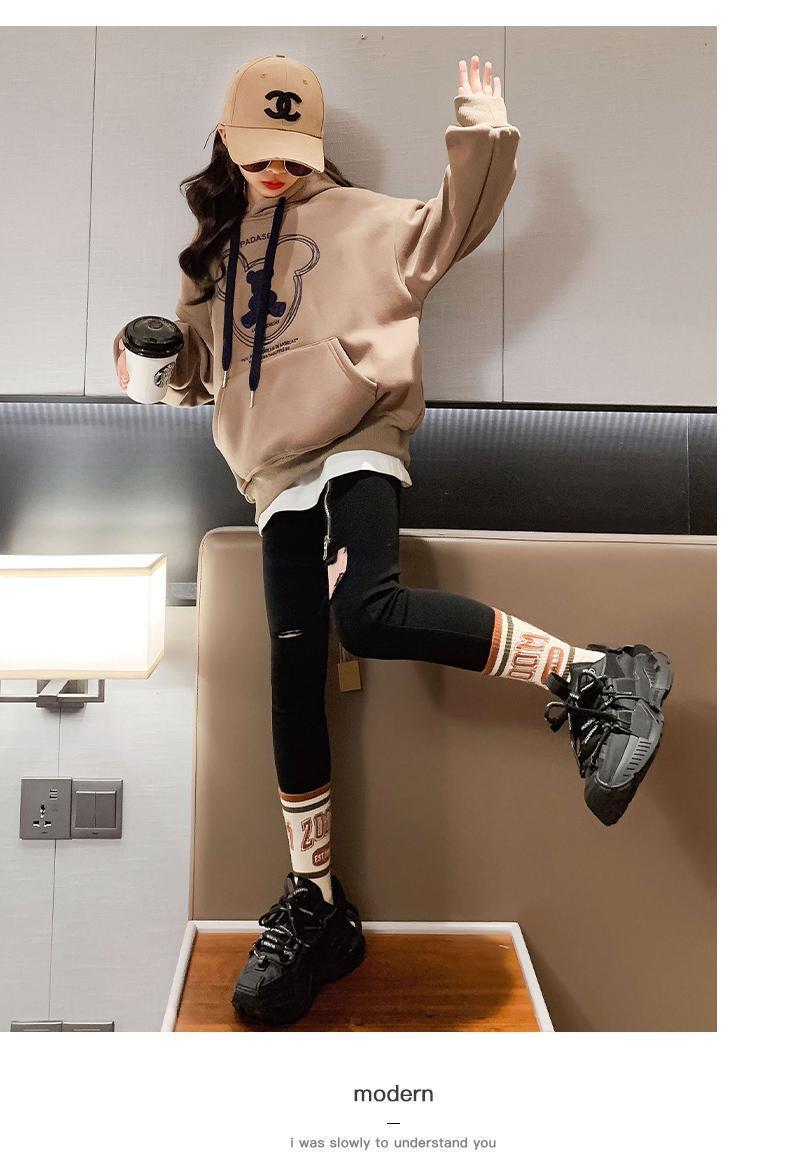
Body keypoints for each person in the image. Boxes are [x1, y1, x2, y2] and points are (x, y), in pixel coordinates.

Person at [114, 53, 672, 1027]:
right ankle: (316, 906)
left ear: (314, 146)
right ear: (227, 146)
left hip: (356, 444)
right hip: (271, 481)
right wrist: (148, 364)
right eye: (258, 154)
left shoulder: (369, 220)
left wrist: (483, 131)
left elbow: (457, 220)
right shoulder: (212, 259)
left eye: (291, 154)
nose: (274, 171)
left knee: (366, 614)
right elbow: (192, 379)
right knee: (292, 677)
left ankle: (595, 674)